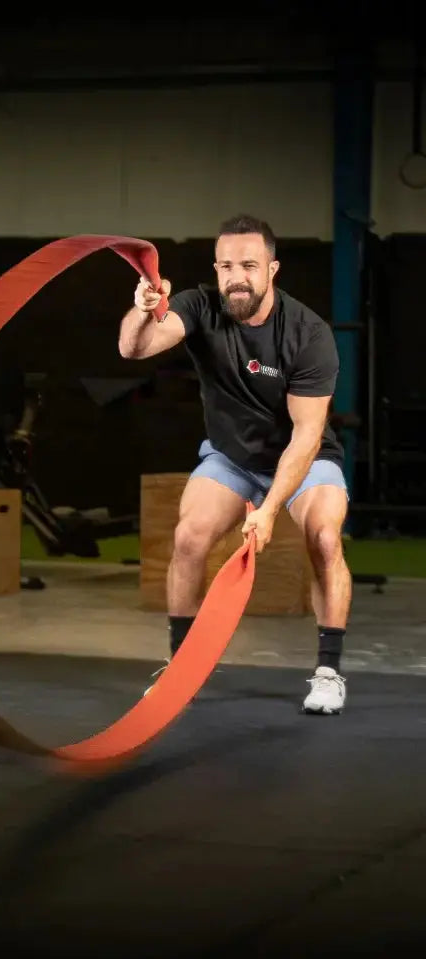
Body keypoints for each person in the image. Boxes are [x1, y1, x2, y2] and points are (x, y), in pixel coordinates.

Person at [118, 213, 351, 714]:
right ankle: (181, 666)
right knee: (188, 537)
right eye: (226, 266)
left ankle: (329, 672)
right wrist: (142, 310)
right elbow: (133, 348)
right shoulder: (201, 305)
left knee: (325, 539)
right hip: (231, 457)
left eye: (249, 264)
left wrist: (267, 510)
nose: (236, 276)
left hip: (304, 459)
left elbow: (307, 435)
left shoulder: (309, 334)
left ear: (272, 270)